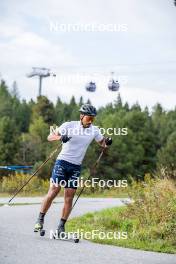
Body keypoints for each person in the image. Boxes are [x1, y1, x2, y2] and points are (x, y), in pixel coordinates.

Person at [34, 104, 112, 235]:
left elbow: (102, 144)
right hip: (62, 163)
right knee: (54, 190)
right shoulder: (69, 125)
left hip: (76, 166)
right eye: (89, 117)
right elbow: (50, 137)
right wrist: (60, 137)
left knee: (69, 197)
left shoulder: (94, 130)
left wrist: (107, 142)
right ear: (81, 116)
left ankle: (61, 226)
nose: (91, 120)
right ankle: (40, 219)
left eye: (93, 118)